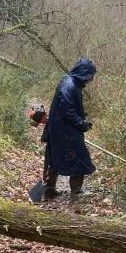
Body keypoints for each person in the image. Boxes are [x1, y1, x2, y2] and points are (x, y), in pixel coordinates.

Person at [41, 58, 97, 200]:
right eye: (89, 76)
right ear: (84, 73)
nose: (90, 79)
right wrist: (82, 124)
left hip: (59, 128)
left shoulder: (69, 82)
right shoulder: (69, 85)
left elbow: (68, 108)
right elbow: (67, 111)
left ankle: (49, 191)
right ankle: (76, 192)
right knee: (79, 159)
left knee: (55, 159)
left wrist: (81, 117)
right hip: (65, 131)